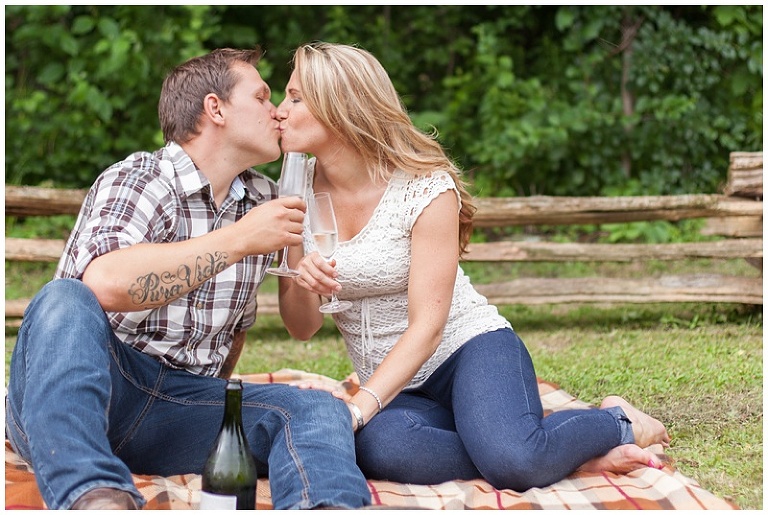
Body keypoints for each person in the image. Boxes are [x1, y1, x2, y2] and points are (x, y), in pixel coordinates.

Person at [275, 41, 672, 491]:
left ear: (340, 107)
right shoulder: (294, 189)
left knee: (514, 463)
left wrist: (358, 407)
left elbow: (429, 326)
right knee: (380, 448)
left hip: (468, 351)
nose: (279, 110)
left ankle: (616, 421)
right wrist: (301, 275)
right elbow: (302, 328)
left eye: (294, 97)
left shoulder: (424, 188)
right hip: (397, 386)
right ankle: (552, 449)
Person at [5, 47, 371, 510]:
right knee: (64, 297)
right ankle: (93, 496)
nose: (277, 111)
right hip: (90, 393)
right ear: (215, 108)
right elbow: (105, 284)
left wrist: (298, 251)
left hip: (178, 407)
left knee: (316, 407)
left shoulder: (265, 197)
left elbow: (281, 329)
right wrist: (238, 239)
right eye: (261, 97)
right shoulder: (141, 178)